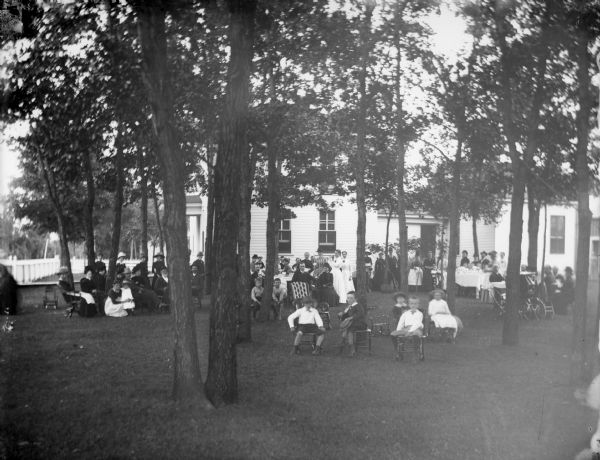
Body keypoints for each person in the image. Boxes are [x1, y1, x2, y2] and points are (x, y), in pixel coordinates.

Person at [338, 291, 367, 356]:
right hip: (351, 323)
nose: (349, 299)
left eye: (351, 298)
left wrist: (351, 317)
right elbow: (345, 317)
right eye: (348, 298)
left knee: (349, 329)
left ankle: (350, 348)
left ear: (355, 299)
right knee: (346, 328)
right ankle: (345, 344)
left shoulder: (358, 306)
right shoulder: (348, 307)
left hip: (360, 323)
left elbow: (360, 314)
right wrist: (341, 315)